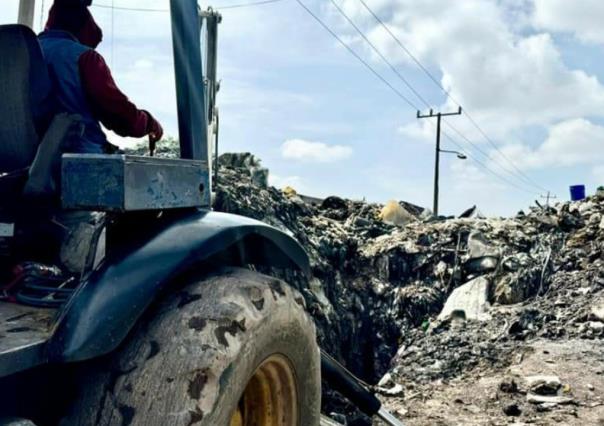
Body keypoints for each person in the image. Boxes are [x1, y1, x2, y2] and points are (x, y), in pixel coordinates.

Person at [38, 0, 163, 154]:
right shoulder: (85, 57)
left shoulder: (21, 52)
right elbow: (118, 114)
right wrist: (149, 123)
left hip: (30, 161)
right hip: (77, 158)